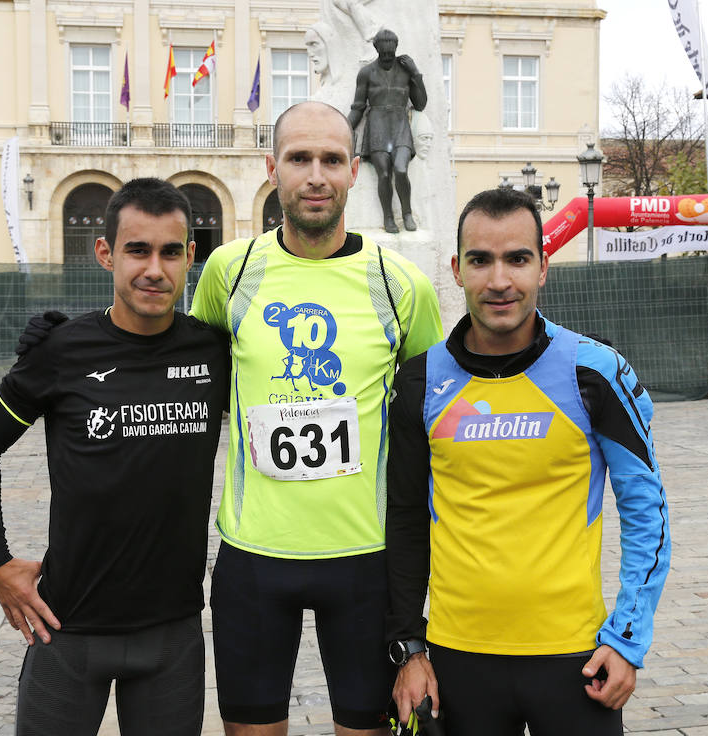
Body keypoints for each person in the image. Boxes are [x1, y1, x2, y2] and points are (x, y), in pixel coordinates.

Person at [190, 100, 443, 736]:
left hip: (364, 560)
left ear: (355, 170)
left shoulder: (401, 285)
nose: (315, 175)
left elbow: (432, 415)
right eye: (299, 158)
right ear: (271, 167)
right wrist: (80, 334)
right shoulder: (231, 270)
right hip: (253, 557)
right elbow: (180, 366)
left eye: (331, 159)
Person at [385, 187, 671, 735]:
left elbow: (647, 513)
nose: (499, 281)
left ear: (543, 267)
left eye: (517, 259)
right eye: (480, 260)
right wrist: (408, 649)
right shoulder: (420, 380)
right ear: (456, 268)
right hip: (455, 660)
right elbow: (403, 520)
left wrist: (628, 640)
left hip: (576, 659)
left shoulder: (596, 372)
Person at [0, 178, 229, 736]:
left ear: (189, 257)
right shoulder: (62, 351)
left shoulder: (214, 351)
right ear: (105, 253)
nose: (154, 268)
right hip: (68, 628)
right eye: (138, 249)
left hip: (172, 634)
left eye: (170, 251)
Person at [348, 29, 427, 234]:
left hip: (400, 126)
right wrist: (344, 129)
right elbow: (358, 107)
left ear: (395, 50)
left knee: (400, 169)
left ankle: (407, 213)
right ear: (377, 50)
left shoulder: (405, 71)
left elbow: (420, 104)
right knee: (384, 173)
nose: (387, 58)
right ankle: (388, 217)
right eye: (383, 55)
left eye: (390, 55)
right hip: (377, 127)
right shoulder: (366, 73)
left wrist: (416, 73)